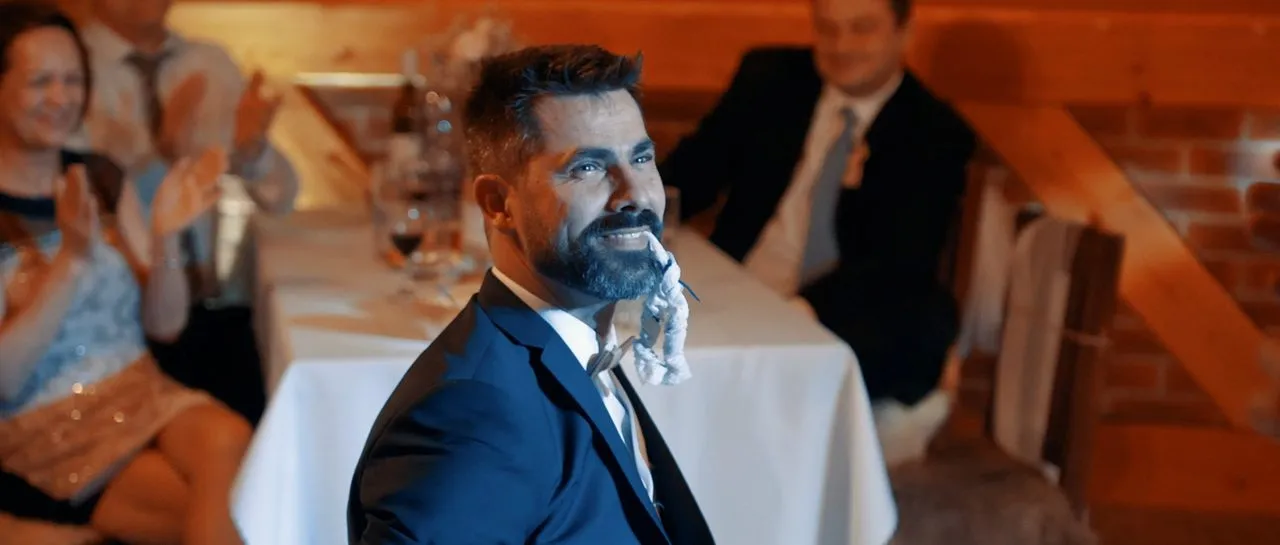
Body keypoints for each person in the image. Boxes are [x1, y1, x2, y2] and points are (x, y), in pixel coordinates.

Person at [348, 45, 714, 545]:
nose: (635, 193)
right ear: (498, 203)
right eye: (588, 167)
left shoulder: (584, 348)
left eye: (642, 158)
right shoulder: (471, 413)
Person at [659, 0, 976, 459]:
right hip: (742, 280)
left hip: (843, 306)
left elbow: (900, 259)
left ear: (904, 31)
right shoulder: (771, 79)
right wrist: (630, 219)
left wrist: (800, 311)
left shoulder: (933, 132)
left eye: (862, 29)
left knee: (914, 315)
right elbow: (694, 172)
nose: (842, 46)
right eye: (828, 29)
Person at [0, 3, 250, 544]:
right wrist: (72, 260)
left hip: (143, 391)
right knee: (233, 510)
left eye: (73, 80)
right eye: (41, 81)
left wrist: (165, 238)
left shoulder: (100, 175)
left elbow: (164, 325)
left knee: (229, 436)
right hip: (45, 426)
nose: (61, 98)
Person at [70, 0, 301, 424]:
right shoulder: (68, 70)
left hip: (219, 308)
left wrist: (252, 150)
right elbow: (75, 192)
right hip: (117, 327)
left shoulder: (209, 63)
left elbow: (282, 198)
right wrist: (155, 155)